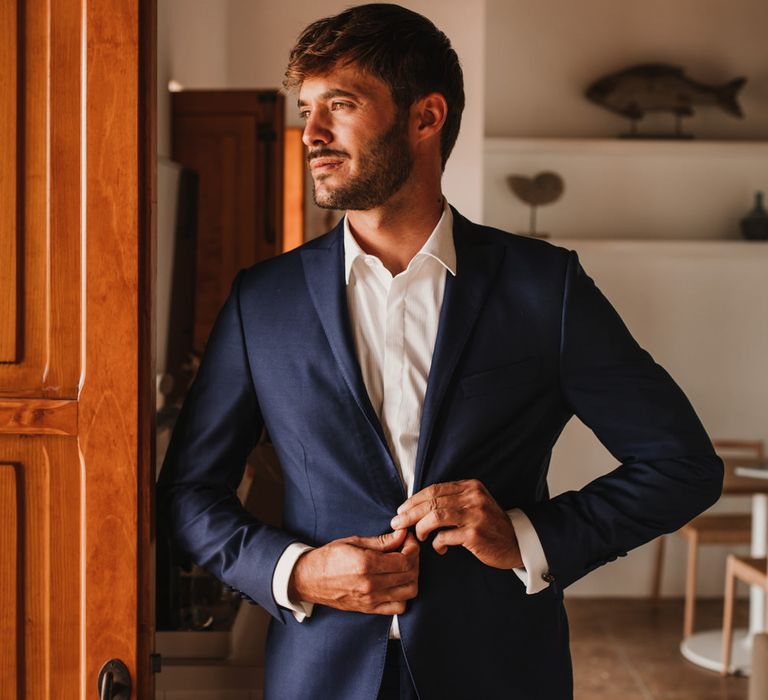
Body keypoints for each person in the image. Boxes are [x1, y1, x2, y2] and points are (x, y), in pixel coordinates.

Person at [156, 4, 723, 698]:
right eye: (306, 108)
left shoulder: (547, 289)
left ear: (425, 118)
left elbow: (683, 465)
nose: (312, 134)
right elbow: (187, 494)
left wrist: (527, 537)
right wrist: (297, 572)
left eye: (340, 104)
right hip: (320, 677)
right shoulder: (260, 302)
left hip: (502, 673)